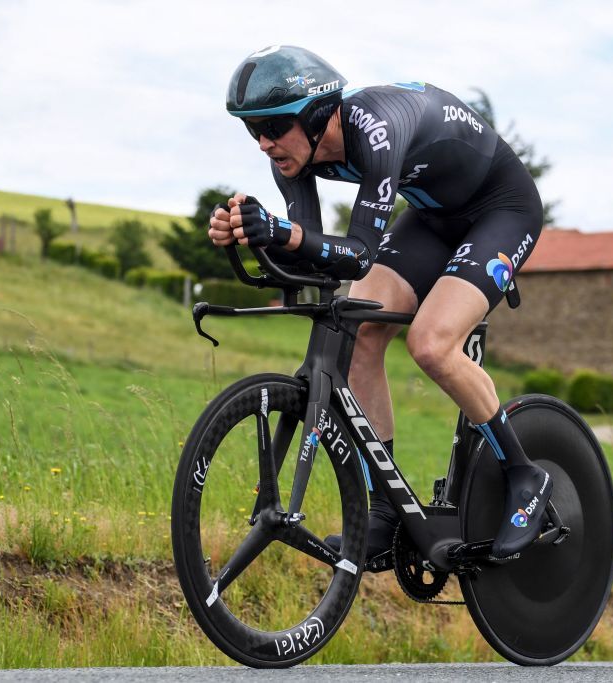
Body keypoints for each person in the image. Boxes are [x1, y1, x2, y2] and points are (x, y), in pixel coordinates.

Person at [208, 45, 551, 560]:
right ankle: (386, 510)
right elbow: (318, 257)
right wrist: (256, 233)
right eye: (251, 129)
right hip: (434, 218)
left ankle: (525, 474)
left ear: (316, 114)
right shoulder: (291, 160)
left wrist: (284, 233)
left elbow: (359, 255)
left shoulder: (376, 129)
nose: (263, 143)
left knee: (432, 345)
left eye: (272, 127)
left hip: (502, 209)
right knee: (358, 330)